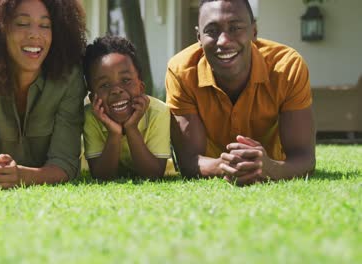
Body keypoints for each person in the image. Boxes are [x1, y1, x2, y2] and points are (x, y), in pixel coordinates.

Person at [166, 0, 315, 185]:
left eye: (235, 28)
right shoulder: (181, 71)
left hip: (272, 161)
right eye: (211, 31)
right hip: (214, 166)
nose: (224, 41)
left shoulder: (287, 67)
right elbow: (189, 161)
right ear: (198, 37)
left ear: (254, 31)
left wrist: (270, 168)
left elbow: (304, 158)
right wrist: (227, 166)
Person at [0, 0, 87, 190]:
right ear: (0, 28)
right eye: (22, 23)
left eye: (45, 25)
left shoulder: (69, 79)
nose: (35, 34)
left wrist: (21, 176)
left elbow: (65, 165)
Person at [82, 36, 172, 180]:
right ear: (93, 98)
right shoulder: (91, 116)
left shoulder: (158, 112)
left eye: (125, 80)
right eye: (104, 85)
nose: (116, 90)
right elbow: (102, 176)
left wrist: (131, 128)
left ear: (141, 87)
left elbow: (153, 174)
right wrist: (114, 133)